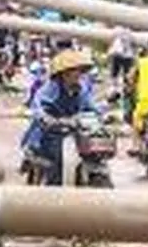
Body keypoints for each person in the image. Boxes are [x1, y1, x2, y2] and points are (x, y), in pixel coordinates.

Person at [21, 50, 100, 185]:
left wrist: (101, 116)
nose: (78, 74)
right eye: (74, 70)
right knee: (53, 163)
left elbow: (91, 107)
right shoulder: (51, 88)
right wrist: (44, 117)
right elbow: (37, 104)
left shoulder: (82, 88)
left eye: (80, 70)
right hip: (50, 129)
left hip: (73, 127)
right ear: (64, 73)